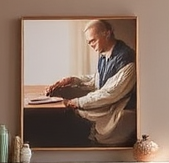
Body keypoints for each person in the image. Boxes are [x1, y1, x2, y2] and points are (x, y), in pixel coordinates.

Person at [46, 19, 137, 147]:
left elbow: (110, 93)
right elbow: (98, 80)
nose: (90, 44)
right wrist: (73, 80)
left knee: (69, 120)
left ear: (107, 33)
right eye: (89, 42)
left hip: (120, 114)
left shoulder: (127, 58)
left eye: (93, 40)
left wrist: (76, 102)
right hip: (109, 107)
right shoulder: (104, 54)